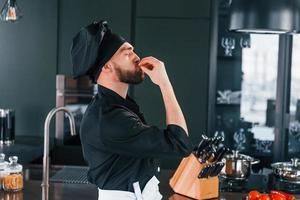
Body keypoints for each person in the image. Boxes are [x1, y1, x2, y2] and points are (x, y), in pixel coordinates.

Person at [71, 20, 193, 200]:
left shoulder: (118, 106)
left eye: (133, 50)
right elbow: (180, 144)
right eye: (126, 53)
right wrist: (164, 83)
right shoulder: (109, 119)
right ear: (106, 66)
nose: (136, 56)